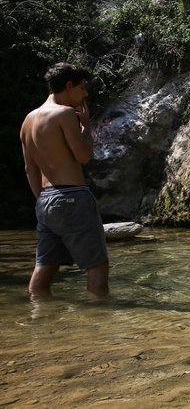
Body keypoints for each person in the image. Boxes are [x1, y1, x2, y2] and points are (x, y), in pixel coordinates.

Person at [19, 62, 109, 298]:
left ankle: (38, 315)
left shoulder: (27, 121)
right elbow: (83, 156)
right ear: (69, 86)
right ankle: (100, 320)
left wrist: (43, 201)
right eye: (82, 88)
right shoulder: (65, 114)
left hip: (45, 200)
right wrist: (85, 125)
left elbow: (30, 169)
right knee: (97, 264)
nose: (85, 94)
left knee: (45, 266)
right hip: (73, 195)